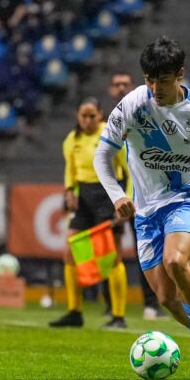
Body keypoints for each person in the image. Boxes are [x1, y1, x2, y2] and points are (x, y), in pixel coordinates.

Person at [94, 37, 190, 379]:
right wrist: (118, 196)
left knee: (175, 261)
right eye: (149, 79)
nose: (154, 88)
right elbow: (101, 156)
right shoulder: (132, 105)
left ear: (179, 75)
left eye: (162, 80)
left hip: (186, 198)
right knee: (165, 297)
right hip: (146, 211)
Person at [49, 97, 130, 329]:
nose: (87, 120)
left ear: (100, 115)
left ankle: (118, 316)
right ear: (77, 116)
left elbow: (130, 171)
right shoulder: (71, 140)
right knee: (69, 252)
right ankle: (75, 312)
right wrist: (69, 191)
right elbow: (70, 172)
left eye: (92, 116)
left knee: (113, 257)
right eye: (83, 116)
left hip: (108, 195)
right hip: (83, 197)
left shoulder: (111, 134)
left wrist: (126, 200)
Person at [108, 71, 163, 320]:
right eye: (117, 85)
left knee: (148, 249)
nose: (121, 89)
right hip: (115, 193)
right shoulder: (106, 123)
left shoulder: (146, 115)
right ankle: (111, 305)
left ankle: (152, 303)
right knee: (111, 250)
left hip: (139, 193)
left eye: (125, 85)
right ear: (111, 90)